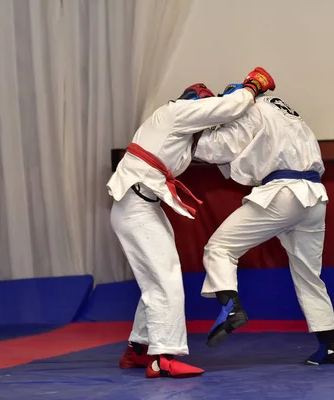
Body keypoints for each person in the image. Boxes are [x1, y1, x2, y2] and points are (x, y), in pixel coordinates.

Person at [106, 67, 276, 379]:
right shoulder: (173, 112)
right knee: (165, 280)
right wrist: (251, 88)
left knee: (156, 279)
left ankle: (137, 350)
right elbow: (226, 108)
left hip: (141, 205)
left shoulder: (182, 138)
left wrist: (245, 107)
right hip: (135, 205)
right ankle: (163, 359)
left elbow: (222, 145)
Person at [192, 83, 334, 366]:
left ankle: (230, 306)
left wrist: (190, 125)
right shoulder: (289, 113)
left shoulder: (252, 109)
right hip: (314, 197)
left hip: (283, 193)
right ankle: (331, 347)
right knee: (309, 275)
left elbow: (215, 149)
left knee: (220, 247)